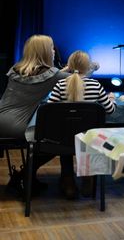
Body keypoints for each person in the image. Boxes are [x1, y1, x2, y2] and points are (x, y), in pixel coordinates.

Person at [0, 34, 70, 196]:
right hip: (16, 126)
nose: (54, 51)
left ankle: (27, 176)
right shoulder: (53, 75)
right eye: (51, 48)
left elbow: (47, 76)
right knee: (58, 139)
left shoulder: (17, 69)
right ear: (44, 51)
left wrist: (64, 70)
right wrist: (91, 66)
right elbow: (79, 79)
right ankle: (24, 175)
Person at [46, 50, 117, 199]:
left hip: (63, 139)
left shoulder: (60, 84)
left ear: (69, 66)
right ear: (88, 67)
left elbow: (48, 111)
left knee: (66, 136)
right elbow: (110, 110)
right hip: (89, 139)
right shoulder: (95, 85)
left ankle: (68, 182)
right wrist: (112, 99)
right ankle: (88, 177)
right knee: (87, 134)